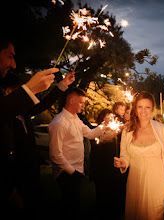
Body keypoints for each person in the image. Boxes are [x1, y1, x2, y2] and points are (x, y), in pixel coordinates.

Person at [0, 36, 65, 214]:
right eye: (9, 56)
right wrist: (29, 89)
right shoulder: (7, 115)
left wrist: (62, 86)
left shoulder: (24, 113)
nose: (13, 64)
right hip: (15, 180)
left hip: (31, 176)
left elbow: (43, 105)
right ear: (8, 92)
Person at [114, 91, 164, 220]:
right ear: (135, 108)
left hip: (158, 181)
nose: (143, 111)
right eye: (140, 107)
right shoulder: (127, 130)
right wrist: (123, 162)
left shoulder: (161, 129)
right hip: (135, 180)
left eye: (147, 107)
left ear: (152, 109)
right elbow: (125, 155)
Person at [48, 87, 108, 216]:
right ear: (71, 101)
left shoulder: (75, 118)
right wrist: (72, 172)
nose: (83, 105)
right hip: (66, 173)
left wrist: (105, 125)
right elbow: (55, 154)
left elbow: (90, 134)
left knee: (74, 205)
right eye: (81, 102)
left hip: (77, 170)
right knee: (69, 206)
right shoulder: (59, 123)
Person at [90, 109, 126, 219]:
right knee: (102, 193)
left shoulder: (115, 130)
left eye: (112, 117)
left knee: (113, 193)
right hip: (100, 167)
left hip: (112, 167)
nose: (111, 119)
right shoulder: (97, 129)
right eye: (108, 117)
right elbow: (100, 140)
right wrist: (114, 132)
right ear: (102, 118)